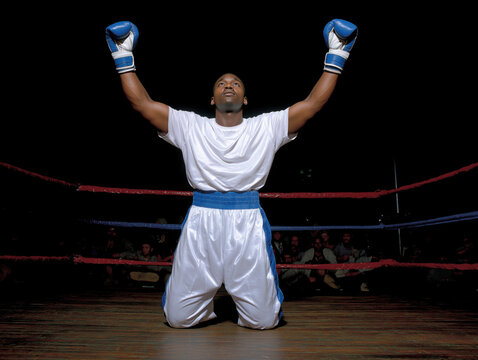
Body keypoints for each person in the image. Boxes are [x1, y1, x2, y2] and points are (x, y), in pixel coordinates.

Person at [105, 19, 357, 329]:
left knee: (263, 322)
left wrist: (337, 54)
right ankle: (204, 305)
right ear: (212, 99)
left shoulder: (266, 126)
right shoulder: (189, 125)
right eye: (222, 83)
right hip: (202, 220)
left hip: (247, 221)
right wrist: (122, 54)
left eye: (235, 83)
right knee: (178, 319)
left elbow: (312, 103)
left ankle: (256, 306)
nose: (228, 85)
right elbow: (141, 103)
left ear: (245, 99)